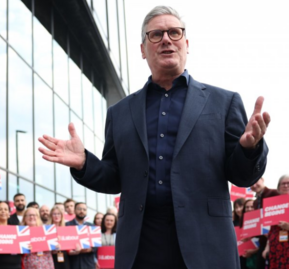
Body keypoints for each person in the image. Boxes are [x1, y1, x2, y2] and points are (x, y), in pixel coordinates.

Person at [38, 6, 270, 269]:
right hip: (140, 247)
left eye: (174, 32)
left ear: (186, 43)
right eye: (156, 35)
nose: (167, 39)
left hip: (206, 245)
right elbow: (114, 177)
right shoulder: (120, 112)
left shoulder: (224, 102)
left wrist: (250, 149)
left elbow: (242, 176)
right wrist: (83, 163)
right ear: (142, 49)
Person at [250, 177, 279, 268]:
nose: (254, 185)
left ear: (262, 179)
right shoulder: (255, 202)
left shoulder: (273, 193)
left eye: (256, 181)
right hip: (263, 241)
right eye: (251, 184)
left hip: (276, 240)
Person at [262, 175, 289, 269]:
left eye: (288, 183)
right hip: (276, 247)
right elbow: (271, 229)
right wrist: (267, 248)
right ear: (278, 187)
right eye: (283, 184)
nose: (286, 186)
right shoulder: (273, 204)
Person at [65, 202, 96, 269]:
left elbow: (96, 245)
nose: (82, 211)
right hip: (73, 263)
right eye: (79, 209)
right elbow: (65, 243)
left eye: (84, 209)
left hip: (88, 264)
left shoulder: (92, 226)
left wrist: (90, 249)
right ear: (75, 210)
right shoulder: (67, 225)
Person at [239, 199, 257, 269]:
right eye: (247, 207)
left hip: (258, 257)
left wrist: (253, 251)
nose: (249, 209)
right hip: (244, 258)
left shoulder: (263, 221)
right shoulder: (242, 222)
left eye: (252, 207)